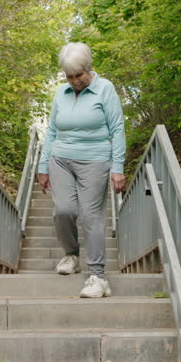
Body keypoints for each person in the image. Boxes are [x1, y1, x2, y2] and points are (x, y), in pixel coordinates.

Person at [36, 42, 126, 298]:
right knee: (63, 211)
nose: (75, 81)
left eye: (79, 75)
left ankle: (98, 276)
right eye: (69, 76)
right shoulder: (61, 93)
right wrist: (43, 167)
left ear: (90, 69)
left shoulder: (105, 89)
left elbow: (117, 129)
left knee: (90, 216)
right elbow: (52, 131)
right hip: (60, 159)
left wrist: (117, 167)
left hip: (95, 160)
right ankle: (71, 255)